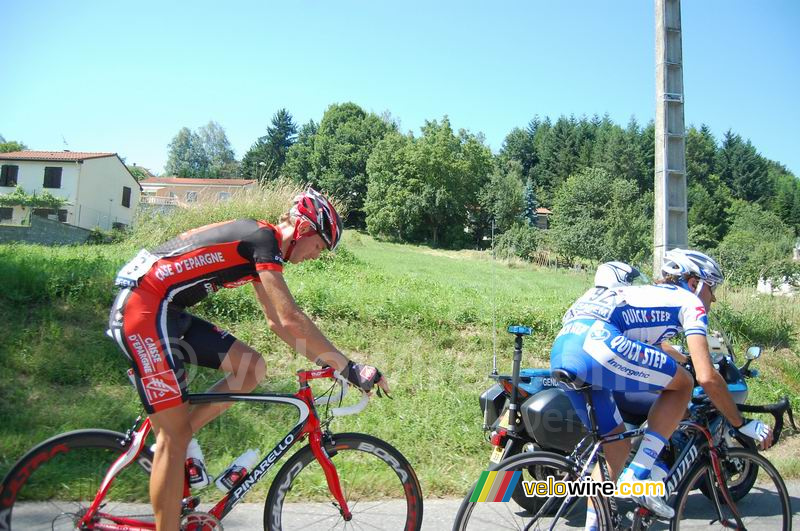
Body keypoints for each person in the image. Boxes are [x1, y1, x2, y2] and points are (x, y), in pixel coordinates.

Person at [108, 188, 389, 531]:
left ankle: (180, 439)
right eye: (318, 246)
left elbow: (277, 324)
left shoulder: (259, 244)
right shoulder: (263, 239)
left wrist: (328, 363)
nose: (316, 256)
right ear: (302, 229)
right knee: (173, 437)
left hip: (164, 310)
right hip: (144, 309)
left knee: (250, 366)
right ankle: (176, 444)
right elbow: (290, 319)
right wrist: (349, 367)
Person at [551, 249, 772, 525]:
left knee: (615, 449)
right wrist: (739, 422)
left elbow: (654, 344)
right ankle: (640, 474)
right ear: (694, 283)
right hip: (598, 343)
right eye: (712, 288)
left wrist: (682, 359)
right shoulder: (690, 302)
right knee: (684, 385)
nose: (713, 297)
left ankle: (595, 526)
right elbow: (707, 376)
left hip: (563, 348)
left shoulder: (644, 294)